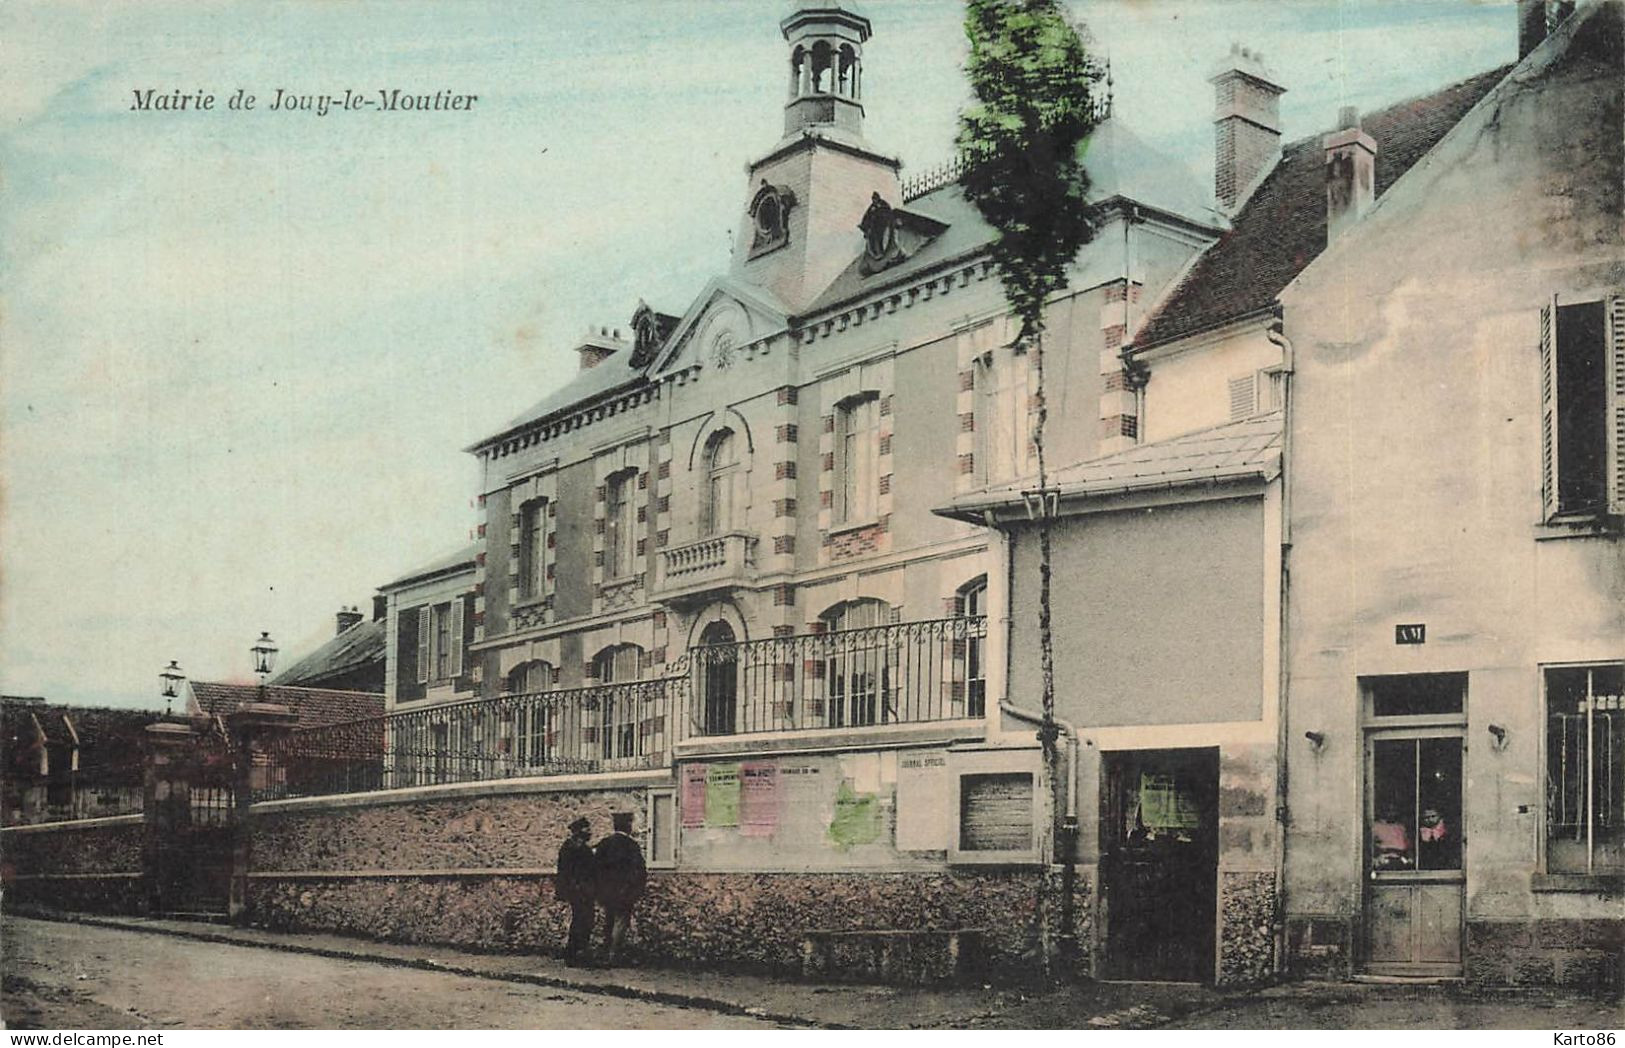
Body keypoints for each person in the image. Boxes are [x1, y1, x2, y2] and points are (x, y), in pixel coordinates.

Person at [593, 811, 647, 966]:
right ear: (628, 826)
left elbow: (595, 867)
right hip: (624, 892)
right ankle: (613, 955)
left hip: (606, 892)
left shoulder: (604, 843)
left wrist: (599, 888)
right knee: (621, 921)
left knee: (609, 920)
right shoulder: (631, 846)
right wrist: (635, 890)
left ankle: (605, 951)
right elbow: (639, 871)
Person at [556, 815, 597, 966]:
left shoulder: (569, 846)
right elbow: (578, 870)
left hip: (578, 889)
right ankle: (575, 953)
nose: (590, 832)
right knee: (583, 920)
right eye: (587, 829)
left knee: (581, 919)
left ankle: (574, 952)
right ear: (579, 831)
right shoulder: (578, 848)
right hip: (581, 890)